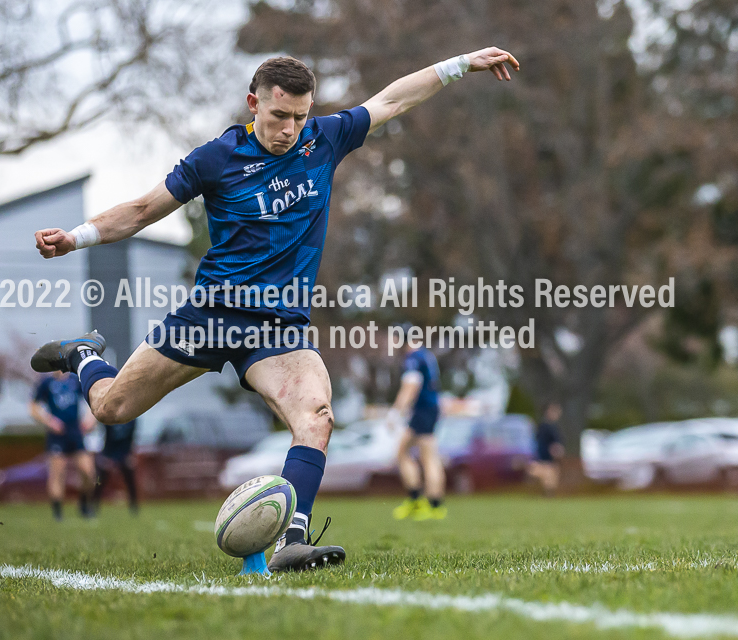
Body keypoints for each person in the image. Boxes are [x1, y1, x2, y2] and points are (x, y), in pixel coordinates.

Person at [31, 49, 519, 570]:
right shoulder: (215, 158)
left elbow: (393, 99)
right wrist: (76, 237)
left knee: (316, 417)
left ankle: (292, 541)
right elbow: (143, 210)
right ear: (253, 104)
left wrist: (462, 63)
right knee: (111, 410)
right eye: (279, 116)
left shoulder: (324, 139)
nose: (290, 129)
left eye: (300, 116)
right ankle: (84, 355)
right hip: (212, 315)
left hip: (279, 326)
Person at [388, 340, 446, 520]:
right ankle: (428, 503)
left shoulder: (413, 358)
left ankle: (423, 502)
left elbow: (410, 387)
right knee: (422, 455)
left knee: (416, 454)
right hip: (430, 409)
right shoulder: (425, 355)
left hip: (423, 411)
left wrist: (396, 412)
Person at [29, 371, 96, 520]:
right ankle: (58, 512)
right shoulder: (46, 382)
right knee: (58, 472)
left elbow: (92, 399)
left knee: (88, 471)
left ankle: (85, 504)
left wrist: (90, 419)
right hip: (57, 434)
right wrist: (49, 421)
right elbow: (33, 407)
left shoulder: (75, 380)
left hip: (75, 431)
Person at [93, 420, 139, 514]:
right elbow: (105, 435)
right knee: (99, 479)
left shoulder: (132, 419)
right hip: (109, 451)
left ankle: (134, 505)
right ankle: (94, 503)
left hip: (124, 452)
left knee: (130, 477)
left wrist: (130, 454)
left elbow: (132, 436)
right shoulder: (110, 417)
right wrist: (105, 457)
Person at [527, 402, 565, 496]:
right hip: (543, 461)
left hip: (549, 461)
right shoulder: (545, 427)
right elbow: (551, 446)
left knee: (550, 482)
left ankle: (547, 495)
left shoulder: (553, 427)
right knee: (547, 478)